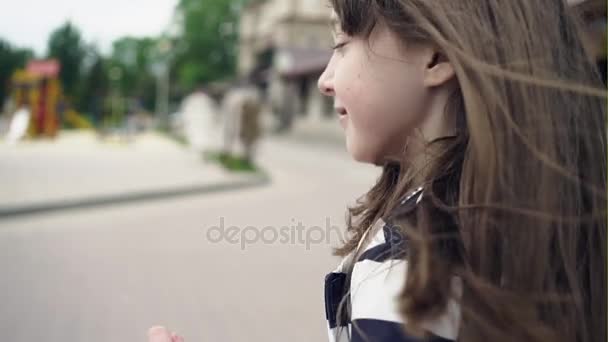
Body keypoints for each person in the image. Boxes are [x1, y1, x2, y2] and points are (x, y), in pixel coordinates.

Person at [148, 1, 606, 341]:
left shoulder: (409, 282)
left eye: (342, 45)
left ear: (434, 56)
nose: (326, 80)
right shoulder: (522, 220)